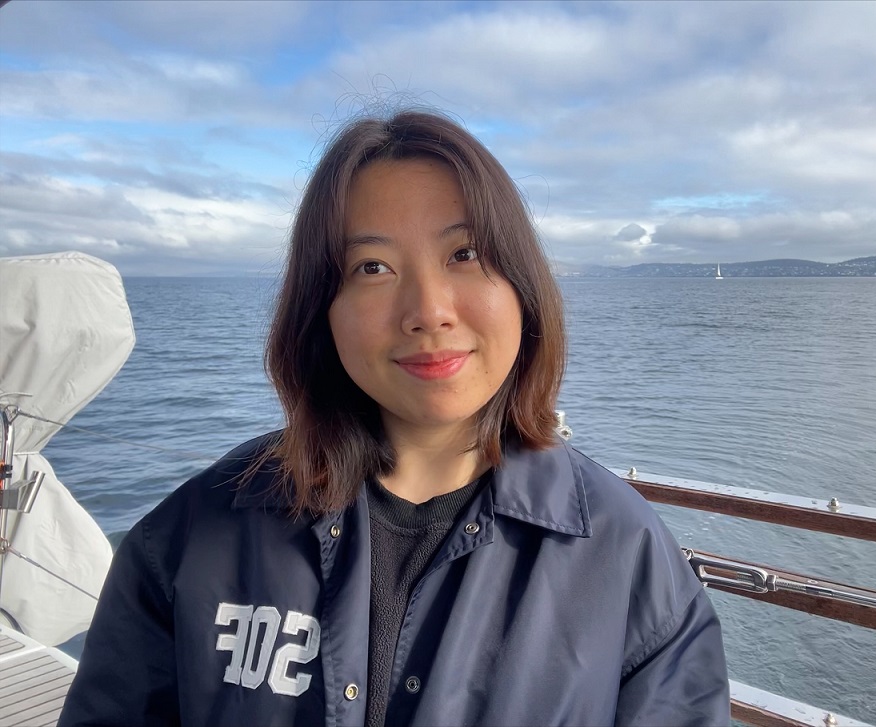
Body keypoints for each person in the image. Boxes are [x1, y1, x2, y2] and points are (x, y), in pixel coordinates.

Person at [59, 110, 730, 726]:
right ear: (323, 310)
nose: (428, 309)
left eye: (464, 254)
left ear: (522, 288)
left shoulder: (624, 556)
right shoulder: (194, 535)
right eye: (372, 266)